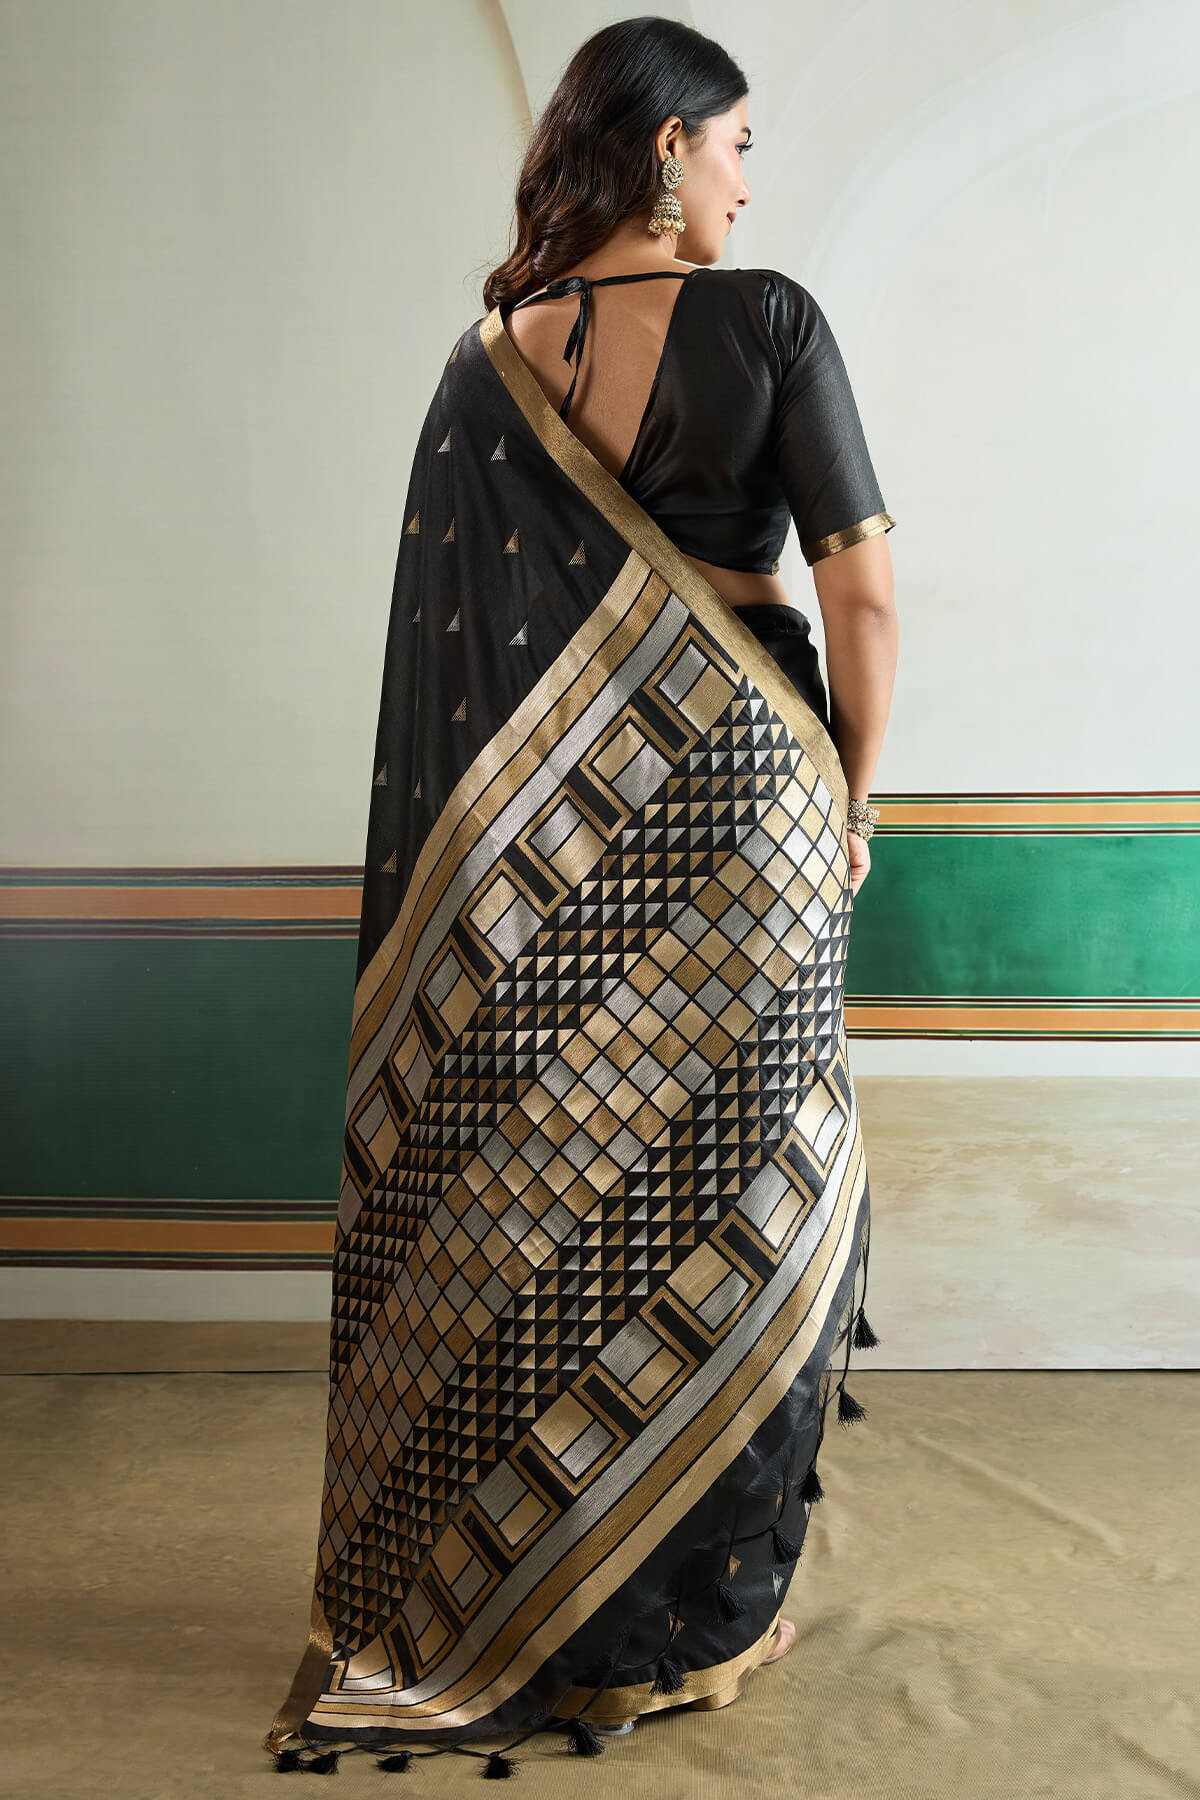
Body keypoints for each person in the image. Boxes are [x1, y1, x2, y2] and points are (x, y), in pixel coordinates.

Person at [264, 15, 894, 1779]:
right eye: (740, 143)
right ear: (671, 143)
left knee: (551, 1211)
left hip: (554, 857)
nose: (749, 181)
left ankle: (537, 1609)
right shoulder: (769, 322)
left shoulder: (495, 356)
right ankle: (689, 1619)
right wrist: (857, 793)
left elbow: (461, 667)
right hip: (750, 812)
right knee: (744, 1202)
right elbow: (863, 597)